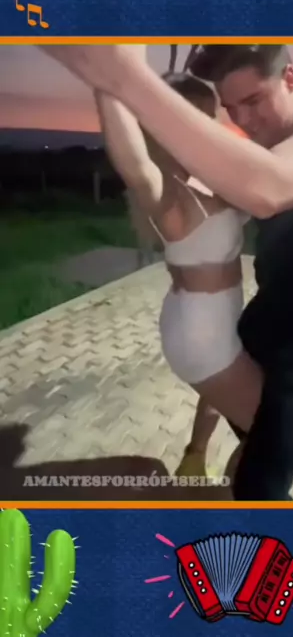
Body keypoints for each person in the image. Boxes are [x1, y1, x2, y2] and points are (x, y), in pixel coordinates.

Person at [40, 43, 293, 501]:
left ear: (290, 78)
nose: (244, 121)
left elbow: (268, 189)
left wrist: (122, 76)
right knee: (260, 466)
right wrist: (109, 86)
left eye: (253, 100)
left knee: (259, 473)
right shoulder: (227, 166)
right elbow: (143, 169)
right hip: (264, 319)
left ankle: (229, 478)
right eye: (231, 109)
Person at [93, 65, 262, 482]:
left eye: (208, 117)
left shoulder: (200, 177)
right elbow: (133, 165)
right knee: (271, 433)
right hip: (201, 335)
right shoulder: (166, 190)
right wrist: (108, 78)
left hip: (210, 320)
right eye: (193, 118)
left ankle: (193, 461)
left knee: (224, 395)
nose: (205, 128)